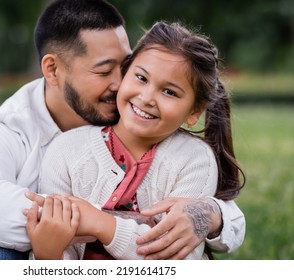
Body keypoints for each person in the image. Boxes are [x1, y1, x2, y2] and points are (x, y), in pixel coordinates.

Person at [0, 0, 245, 260]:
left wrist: (211, 213)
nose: (121, 83)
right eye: (104, 71)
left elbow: (213, 213)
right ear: (52, 70)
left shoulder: (149, 127)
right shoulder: (1, 130)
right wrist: (93, 225)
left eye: (126, 66)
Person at [25, 20, 245, 260]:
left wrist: (100, 223)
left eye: (169, 92)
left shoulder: (194, 159)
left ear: (194, 112)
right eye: (141, 78)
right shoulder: (67, 150)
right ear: (124, 74)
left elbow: (177, 258)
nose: (147, 97)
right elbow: (55, 238)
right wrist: (48, 255)